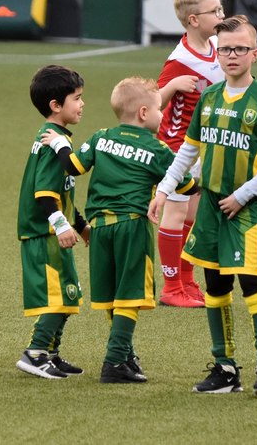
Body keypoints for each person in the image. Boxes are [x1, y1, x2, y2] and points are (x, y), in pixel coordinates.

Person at [149, 16, 257, 398]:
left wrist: (243, 194)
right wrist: (164, 189)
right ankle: (225, 367)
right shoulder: (209, 98)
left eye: (240, 49)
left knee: (252, 282)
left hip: (246, 209)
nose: (232, 55)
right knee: (214, 283)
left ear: (254, 54)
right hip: (211, 206)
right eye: (225, 49)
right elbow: (189, 151)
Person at [43, 77, 196, 383]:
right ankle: (114, 361)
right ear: (143, 113)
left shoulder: (101, 137)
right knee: (130, 294)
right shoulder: (157, 148)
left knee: (115, 295)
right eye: (158, 109)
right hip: (131, 226)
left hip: (99, 229)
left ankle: (125, 356)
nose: (162, 114)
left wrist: (60, 143)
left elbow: (73, 166)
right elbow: (188, 185)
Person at [16, 65, 89, 380]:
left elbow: (64, 190)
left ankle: (51, 353)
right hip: (43, 231)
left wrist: (81, 225)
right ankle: (35, 353)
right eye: (77, 98)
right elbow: (44, 194)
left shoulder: (56, 138)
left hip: (54, 229)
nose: (82, 104)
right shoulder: (52, 142)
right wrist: (61, 225)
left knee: (69, 294)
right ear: (56, 106)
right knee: (57, 296)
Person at [155, 0, 226, 308]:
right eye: (216, 11)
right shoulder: (180, 60)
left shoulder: (214, 46)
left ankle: (186, 279)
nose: (221, 15)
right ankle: (171, 287)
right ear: (194, 20)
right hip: (175, 148)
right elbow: (152, 103)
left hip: (201, 148)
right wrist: (172, 86)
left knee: (194, 215)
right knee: (176, 212)